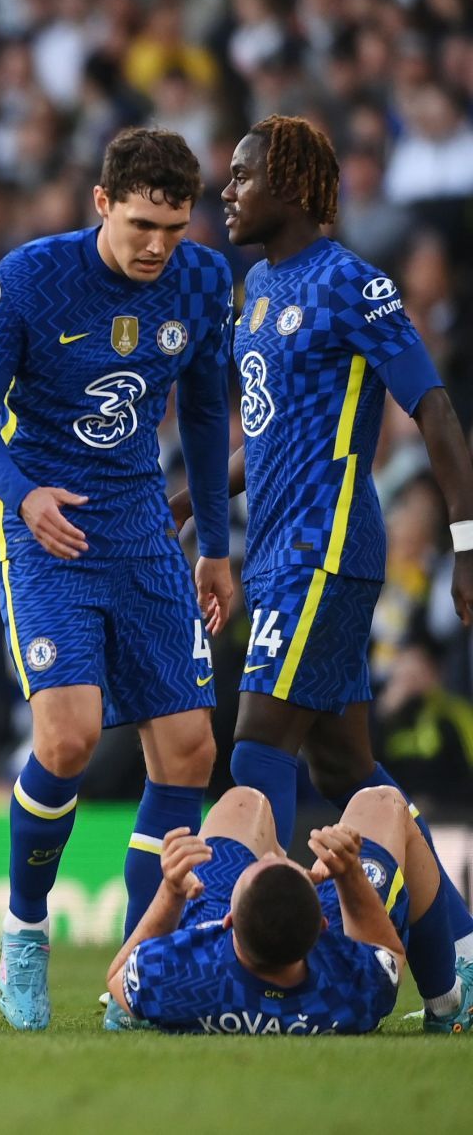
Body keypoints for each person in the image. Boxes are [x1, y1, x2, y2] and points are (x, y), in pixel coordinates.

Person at [170, 114, 473, 977]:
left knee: (257, 747)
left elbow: (437, 411)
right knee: (351, 773)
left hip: (326, 545)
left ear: (293, 187)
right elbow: (266, 436)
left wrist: (467, 542)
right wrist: (190, 500)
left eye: (241, 175)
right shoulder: (258, 288)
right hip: (278, 552)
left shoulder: (351, 285)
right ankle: (456, 949)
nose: (223, 192)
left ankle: (242, 957)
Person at [0, 128, 235, 1031]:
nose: (158, 245)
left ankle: (139, 964)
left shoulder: (202, 282)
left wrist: (216, 547)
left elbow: (200, 411)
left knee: (188, 750)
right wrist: (24, 496)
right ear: (103, 203)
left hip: (142, 525)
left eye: (175, 228)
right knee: (68, 738)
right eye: (143, 223)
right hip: (48, 525)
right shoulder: (32, 277)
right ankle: (25, 932)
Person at [106, 785, 473, 1034]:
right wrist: (349, 878)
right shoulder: (352, 985)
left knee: (243, 802)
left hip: (203, 982)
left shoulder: (171, 973)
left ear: (229, 921)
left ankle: (136, 1014)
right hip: (314, 961)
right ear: (323, 927)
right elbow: (386, 954)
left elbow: (119, 972)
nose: (270, 854)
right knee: (384, 802)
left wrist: (170, 891)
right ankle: (447, 1005)